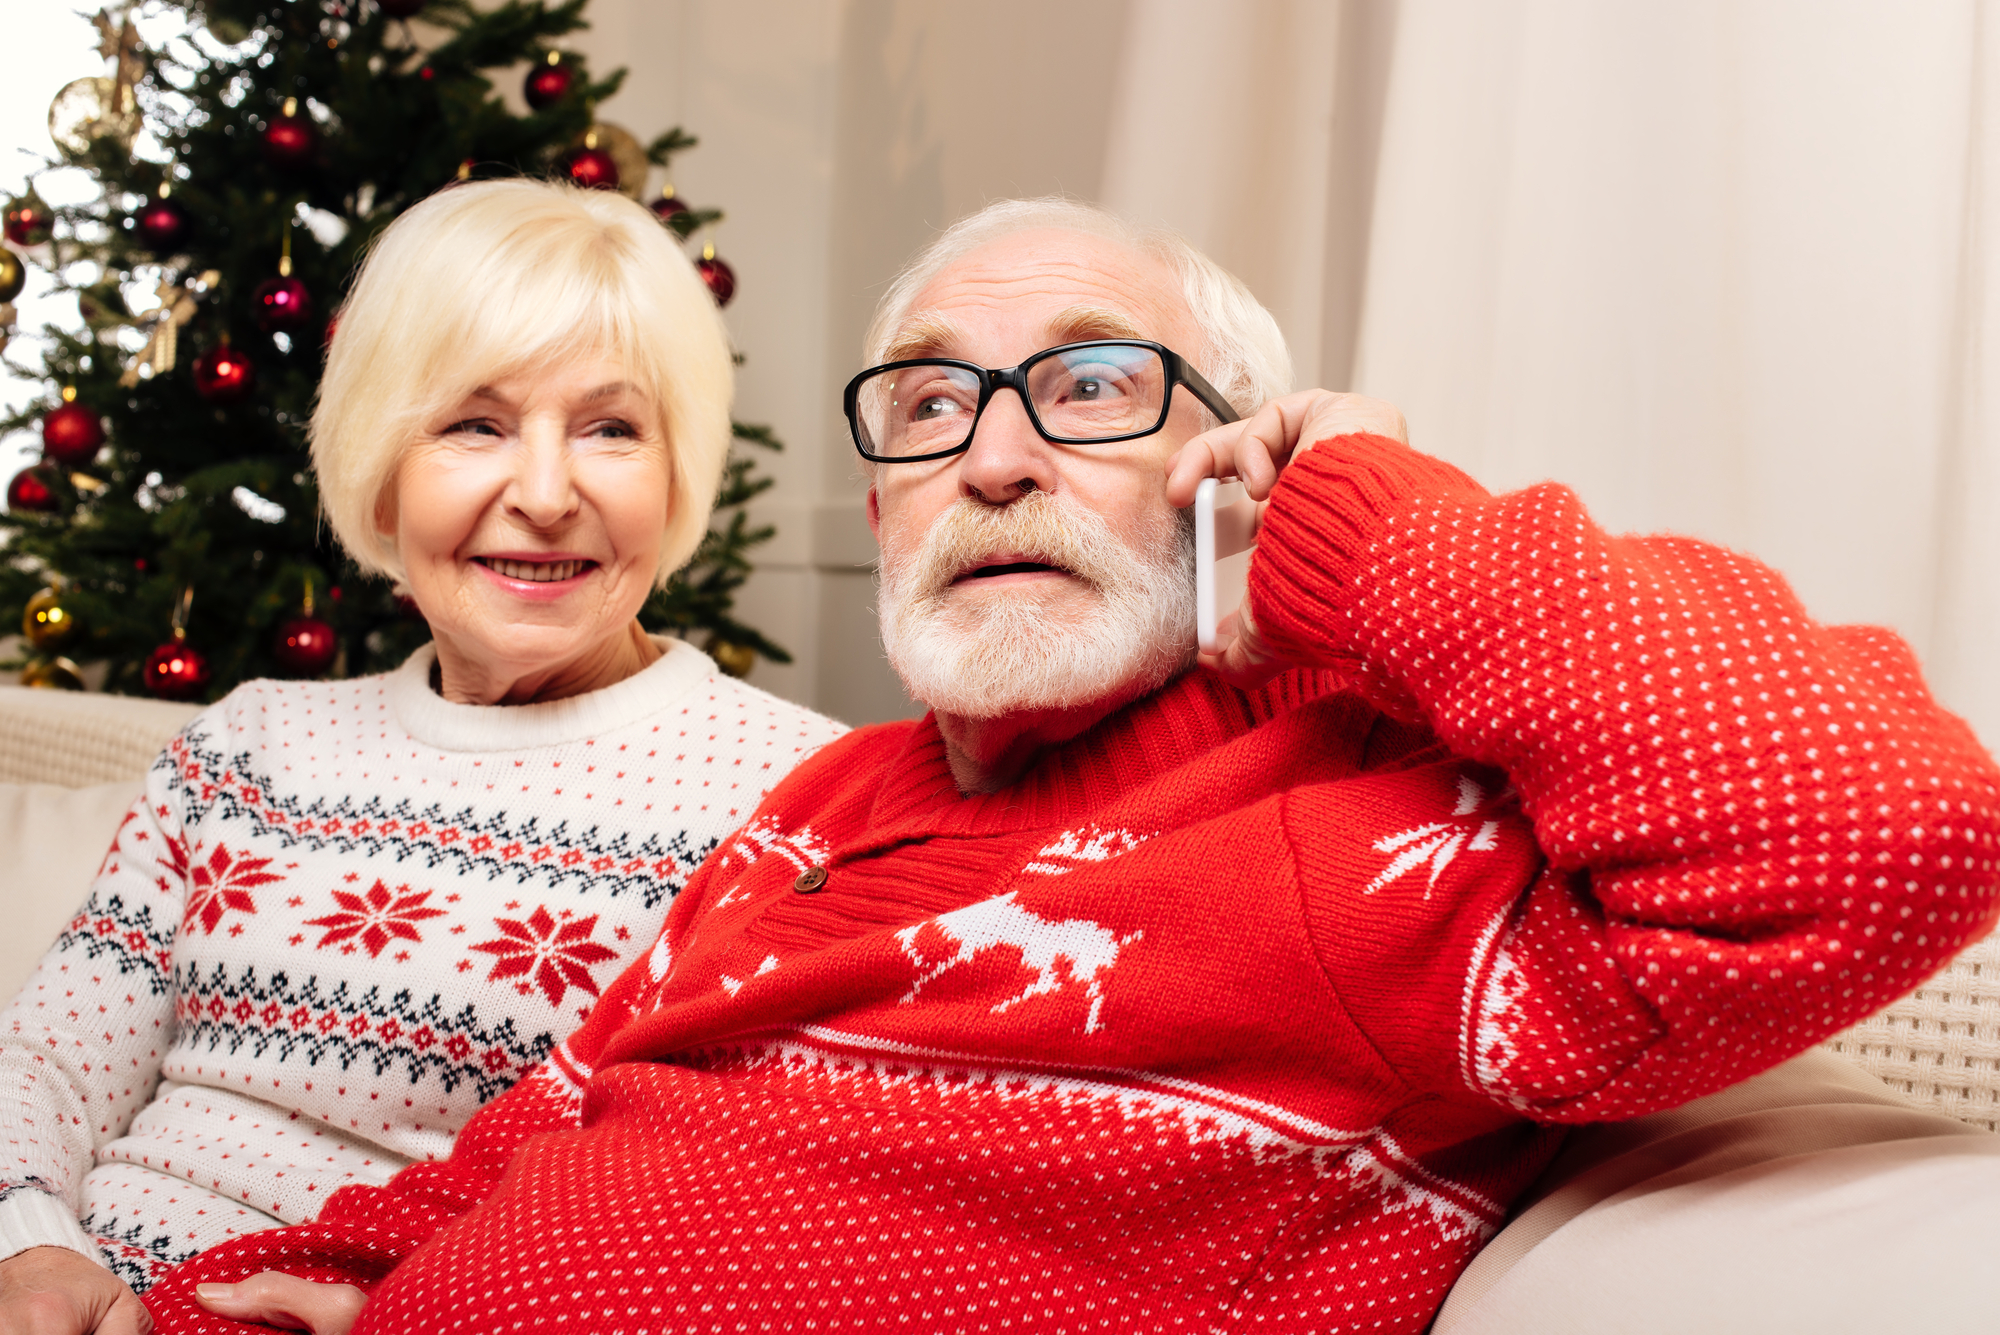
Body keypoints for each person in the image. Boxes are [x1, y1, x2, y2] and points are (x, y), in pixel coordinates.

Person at [141, 198, 1999, 1335]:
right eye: (933, 403)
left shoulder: (1364, 814)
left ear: (1240, 462)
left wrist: (1361, 516)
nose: (998, 458)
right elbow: (565, 1109)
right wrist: (344, 1273)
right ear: (881, 505)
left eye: (1093, 388)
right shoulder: (824, 803)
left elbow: (1887, 822)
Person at [0, 179, 844, 1334]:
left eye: (611, 428)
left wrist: (430, 1313)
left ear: (677, 471)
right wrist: (33, 1252)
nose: (545, 496)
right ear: (382, 468)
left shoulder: (800, 798)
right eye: (473, 424)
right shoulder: (249, 745)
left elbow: (728, 1208)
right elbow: (45, 1063)